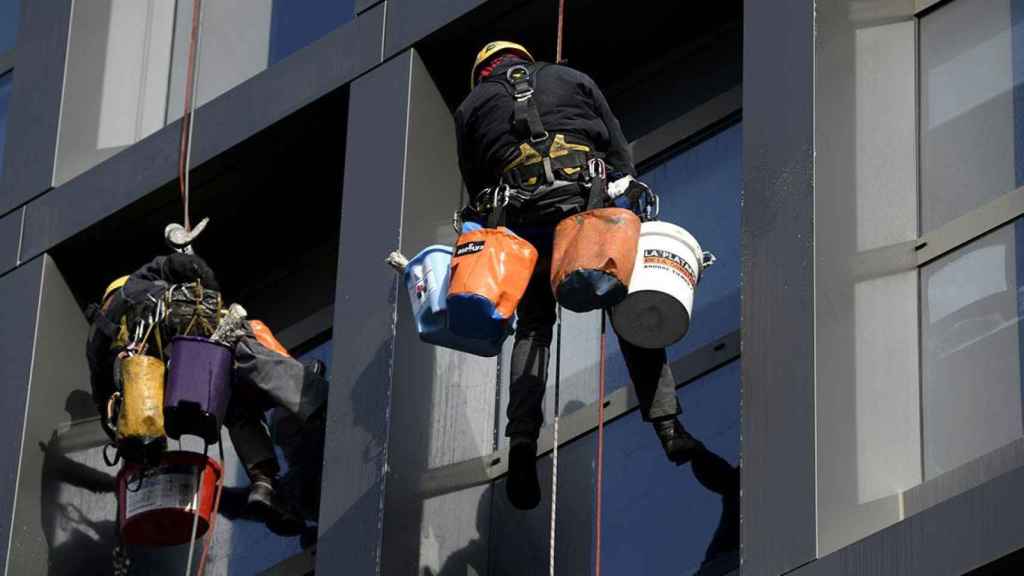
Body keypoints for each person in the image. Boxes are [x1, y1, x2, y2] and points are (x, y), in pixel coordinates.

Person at [454, 41, 703, 510]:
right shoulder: (570, 78)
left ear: (482, 72)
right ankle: (670, 426)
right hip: (584, 205)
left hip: (524, 221)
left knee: (533, 328)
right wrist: (623, 204)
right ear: (523, 59)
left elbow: (476, 185)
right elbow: (616, 145)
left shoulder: (470, 107)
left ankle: (522, 442)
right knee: (623, 302)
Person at [86, 252, 327, 535]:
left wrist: (134, 445)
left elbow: (106, 410)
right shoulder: (138, 283)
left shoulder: (96, 341)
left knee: (234, 407)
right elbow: (185, 265)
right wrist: (211, 291)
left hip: (165, 386)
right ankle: (316, 403)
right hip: (187, 333)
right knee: (246, 353)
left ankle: (265, 485)